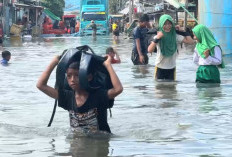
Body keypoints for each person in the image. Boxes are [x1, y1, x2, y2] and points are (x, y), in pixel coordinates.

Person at [36, 54, 123, 135]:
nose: (72, 79)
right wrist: (54, 62)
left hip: (99, 142)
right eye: (69, 76)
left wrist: (108, 65)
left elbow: (118, 89)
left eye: (77, 75)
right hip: (77, 143)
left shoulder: (98, 96)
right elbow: (41, 85)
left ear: (89, 77)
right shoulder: (67, 97)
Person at [148, 14, 195, 81]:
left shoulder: (175, 36)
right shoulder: (158, 36)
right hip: (160, 67)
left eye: (170, 24)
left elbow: (191, 42)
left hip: (171, 68)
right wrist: (157, 38)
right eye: (165, 24)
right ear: (161, 24)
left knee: (172, 89)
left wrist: (183, 32)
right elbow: (149, 50)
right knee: (159, 90)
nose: (168, 26)